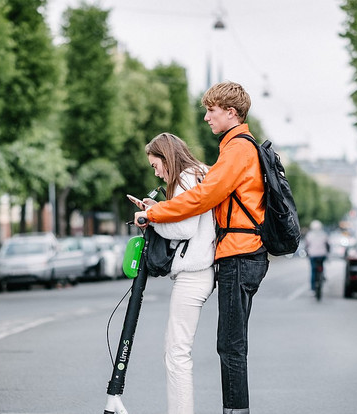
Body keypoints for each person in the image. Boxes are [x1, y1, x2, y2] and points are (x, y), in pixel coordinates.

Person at [135, 81, 268, 414]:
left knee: (231, 347)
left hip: (240, 252)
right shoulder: (231, 150)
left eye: (211, 111)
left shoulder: (238, 148)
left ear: (231, 112)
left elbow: (200, 198)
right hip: (238, 253)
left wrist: (153, 213)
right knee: (229, 345)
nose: (207, 118)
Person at [136, 133, 216, 414]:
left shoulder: (185, 178)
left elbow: (184, 229)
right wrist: (158, 212)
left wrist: (153, 218)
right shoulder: (201, 173)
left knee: (176, 354)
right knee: (177, 351)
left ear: (168, 158)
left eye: (156, 165)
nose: (156, 172)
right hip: (201, 271)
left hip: (193, 272)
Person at [304, 220, 329, 290]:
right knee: (321, 266)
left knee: (313, 271)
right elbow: (327, 245)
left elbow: (306, 246)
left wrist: (307, 253)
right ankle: (322, 275)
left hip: (312, 255)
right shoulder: (324, 234)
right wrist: (327, 252)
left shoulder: (309, 235)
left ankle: (313, 288)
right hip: (322, 255)